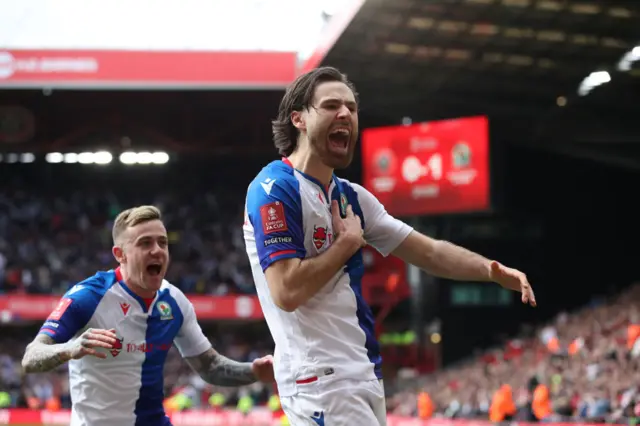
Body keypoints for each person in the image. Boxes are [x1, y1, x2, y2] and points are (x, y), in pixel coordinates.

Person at [242, 66, 536, 425]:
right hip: (320, 380)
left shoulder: (353, 198)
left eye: (351, 107)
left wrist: (489, 270)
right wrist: (346, 244)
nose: (346, 114)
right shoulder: (274, 187)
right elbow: (286, 291)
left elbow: (428, 252)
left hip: (363, 374)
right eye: (332, 105)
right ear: (299, 119)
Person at [22, 205, 275, 426]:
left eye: (162, 242)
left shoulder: (174, 302)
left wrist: (253, 371)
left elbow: (210, 367)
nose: (157, 250)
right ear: (120, 255)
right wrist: (71, 348)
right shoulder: (88, 297)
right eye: (145, 243)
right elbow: (31, 357)